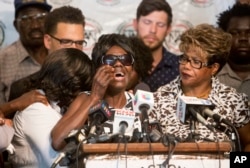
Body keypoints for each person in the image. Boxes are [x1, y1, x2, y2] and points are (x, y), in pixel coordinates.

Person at [148, 24, 250, 151]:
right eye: (185, 58)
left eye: (196, 62)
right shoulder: (159, 98)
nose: (186, 66)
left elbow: (248, 142)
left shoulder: (233, 100)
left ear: (214, 68)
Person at [9, 48, 94, 168]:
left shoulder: (58, 108)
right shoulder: (35, 109)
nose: (82, 95)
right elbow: (59, 163)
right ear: (72, 84)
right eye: (82, 90)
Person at [51, 34, 138, 151]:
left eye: (125, 59)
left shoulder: (139, 103)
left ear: (132, 68)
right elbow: (58, 141)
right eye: (110, 60)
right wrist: (95, 97)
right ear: (97, 68)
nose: (119, 64)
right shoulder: (86, 99)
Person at [9, 5, 87, 102]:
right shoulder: (22, 89)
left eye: (79, 43)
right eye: (66, 42)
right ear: (48, 41)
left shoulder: (94, 84)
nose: (74, 49)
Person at [0, 0, 52, 104]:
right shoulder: (3, 60)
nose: (35, 25)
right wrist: (16, 105)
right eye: (26, 19)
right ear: (16, 25)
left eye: (41, 17)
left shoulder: (61, 55)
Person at [133, 0, 179, 92]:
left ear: (168, 29)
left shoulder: (180, 67)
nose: (153, 30)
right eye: (147, 22)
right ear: (135, 24)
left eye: (160, 24)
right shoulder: (122, 63)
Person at [216, 3, 250, 99]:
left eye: (249, 33)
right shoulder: (209, 74)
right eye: (235, 33)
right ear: (223, 37)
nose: (243, 38)